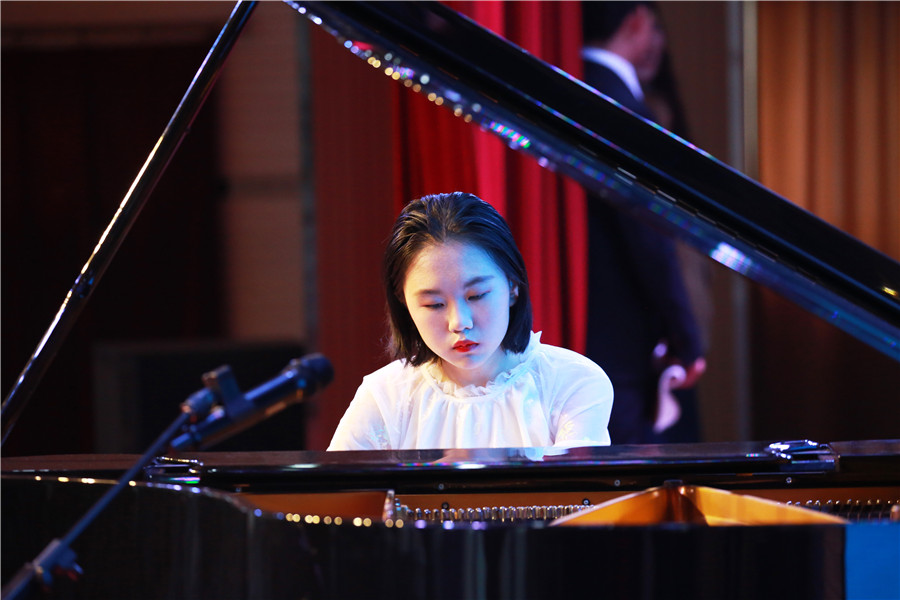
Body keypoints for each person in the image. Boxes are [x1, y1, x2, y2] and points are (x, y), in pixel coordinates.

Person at [328, 192, 614, 450]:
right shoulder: (386, 396)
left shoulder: (571, 381)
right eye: (434, 304)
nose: (459, 323)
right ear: (404, 303)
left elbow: (578, 489)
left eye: (476, 296)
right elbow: (338, 489)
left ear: (513, 286)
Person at [581, 1, 706, 444]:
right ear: (636, 20)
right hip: (623, 339)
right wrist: (687, 338)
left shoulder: (569, 85)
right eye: (655, 27)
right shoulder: (622, 105)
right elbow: (650, 238)